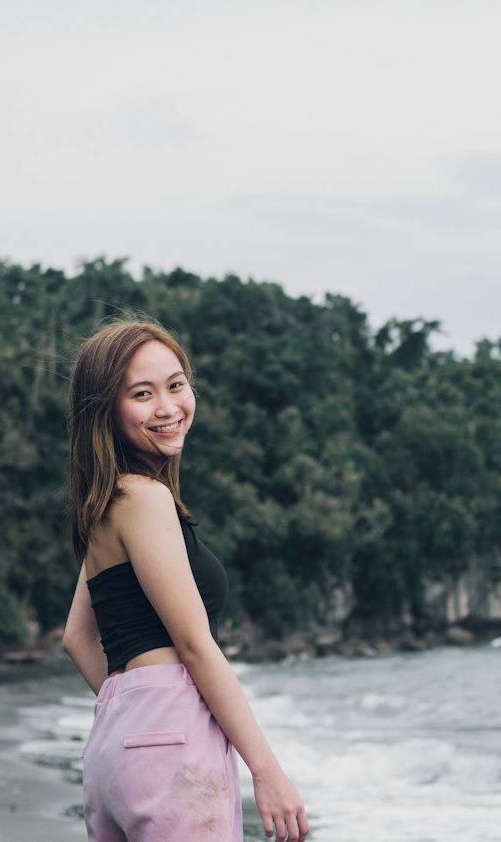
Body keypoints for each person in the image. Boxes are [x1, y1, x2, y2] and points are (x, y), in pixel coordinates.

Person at [62, 319, 309, 842]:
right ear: (106, 409)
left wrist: (134, 720)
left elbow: (76, 640)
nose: (169, 407)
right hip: (172, 737)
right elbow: (196, 645)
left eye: (176, 385)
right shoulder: (145, 500)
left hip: (114, 744)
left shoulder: (103, 503)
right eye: (142, 394)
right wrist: (265, 770)